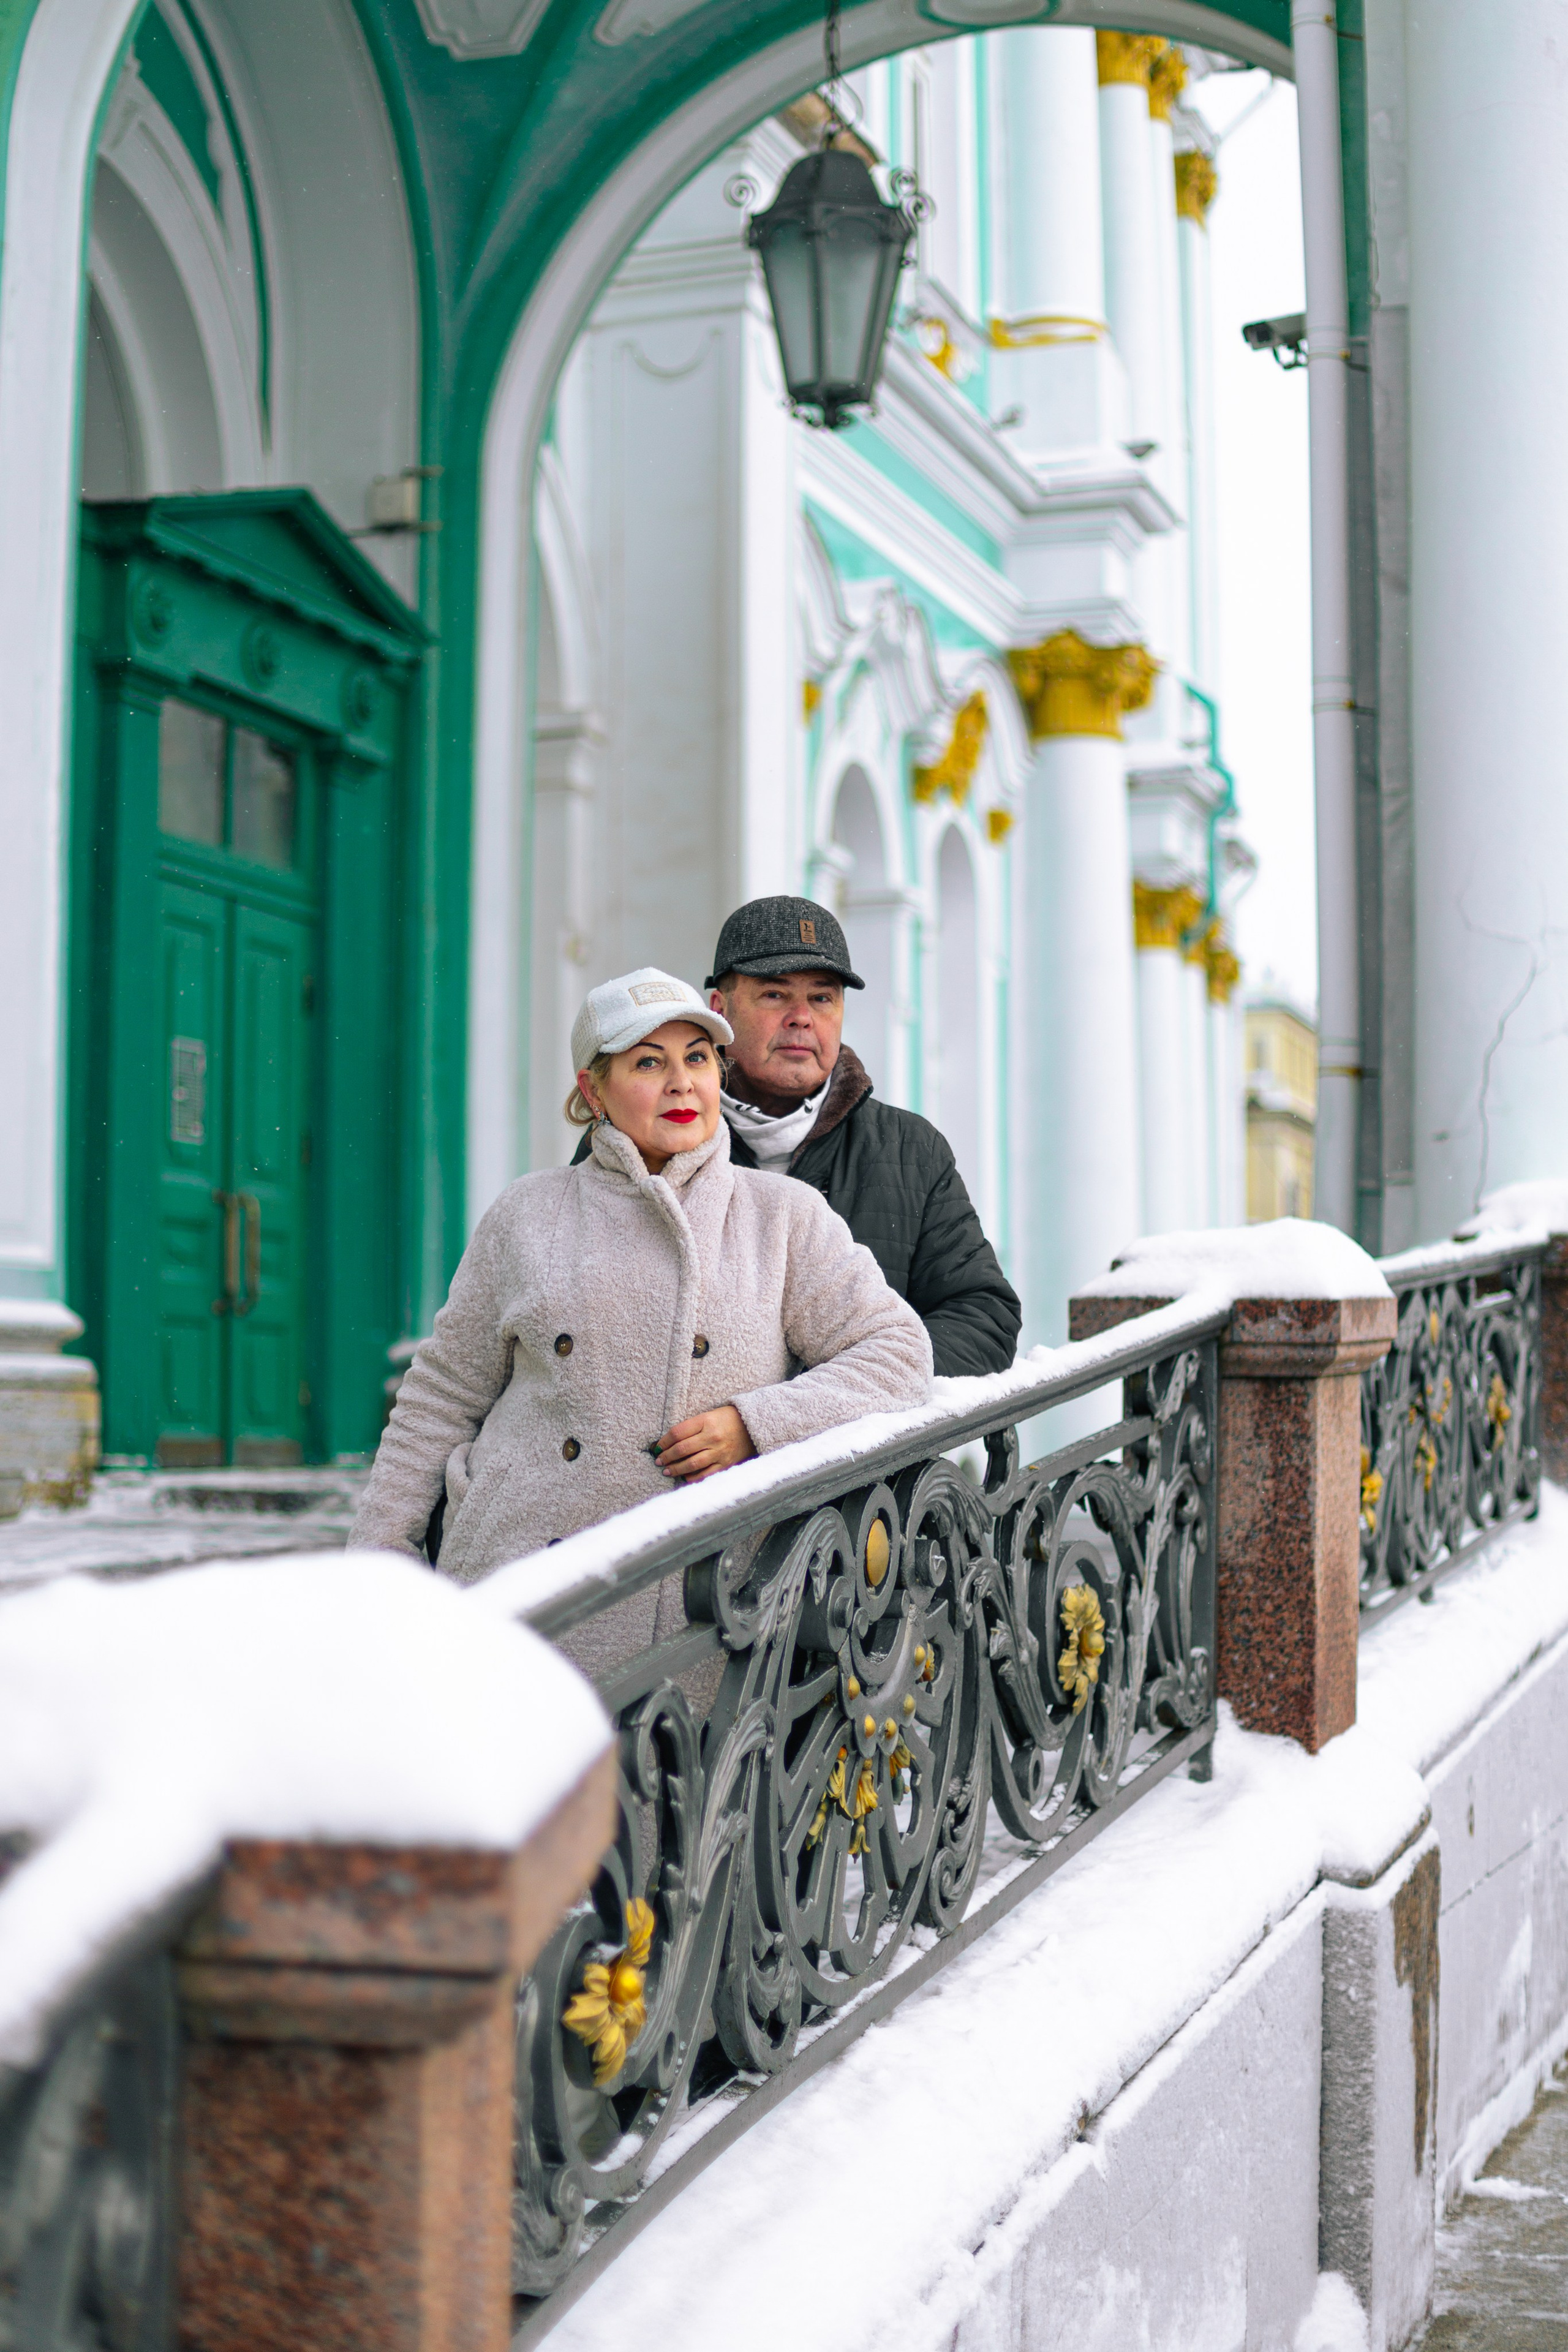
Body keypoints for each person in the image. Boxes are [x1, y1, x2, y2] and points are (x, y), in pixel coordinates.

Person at [349, 967, 932, 1591]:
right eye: (649, 1064)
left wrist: (753, 1424)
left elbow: (897, 1355)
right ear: (594, 1091)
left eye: (699, 1058)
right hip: (521, 1570)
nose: (682, 1083)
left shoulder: (782, 1216)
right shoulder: (527, 1212)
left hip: (701, 1595)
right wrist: (381, 1557)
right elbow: (443, 1394)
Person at [705, 895, 1020, 1376]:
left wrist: (838, 1394)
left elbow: (983, 1317)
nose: (802, 1017)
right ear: (719, 1010)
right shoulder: (652, 1142)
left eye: (822, 997)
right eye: (774, 994)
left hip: (864, 1447)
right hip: (700, 1451)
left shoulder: (910, 1150)